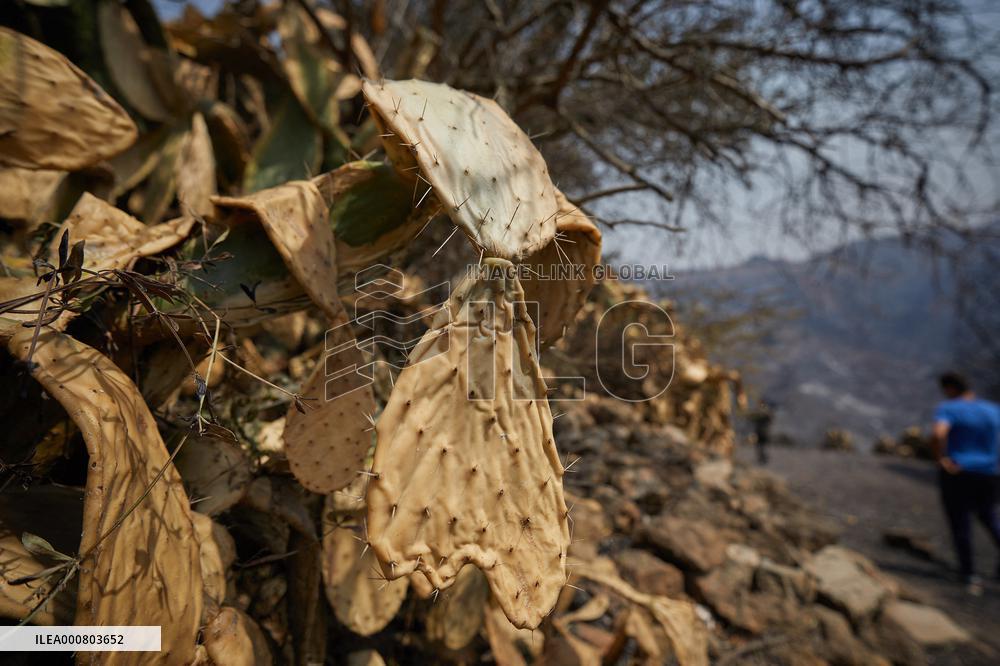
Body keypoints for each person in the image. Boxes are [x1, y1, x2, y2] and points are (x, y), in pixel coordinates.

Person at [931, 371, 1000, 592]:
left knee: (960, 522)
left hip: (958, 472)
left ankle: (969, 573)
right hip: (988, 473)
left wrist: (940, 459)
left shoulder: (949, 408)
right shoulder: (992, 410)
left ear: (950, 388)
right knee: (990, 517)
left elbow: (939, 433)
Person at [748, 399, 774, 465]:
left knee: (763, 447)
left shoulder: (766, 412)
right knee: (759, 447)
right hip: (759, 432)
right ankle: (761, 459)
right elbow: (752, 418)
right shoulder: (758, 412)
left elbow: (769, 420)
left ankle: (763, 459)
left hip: (764, 432)